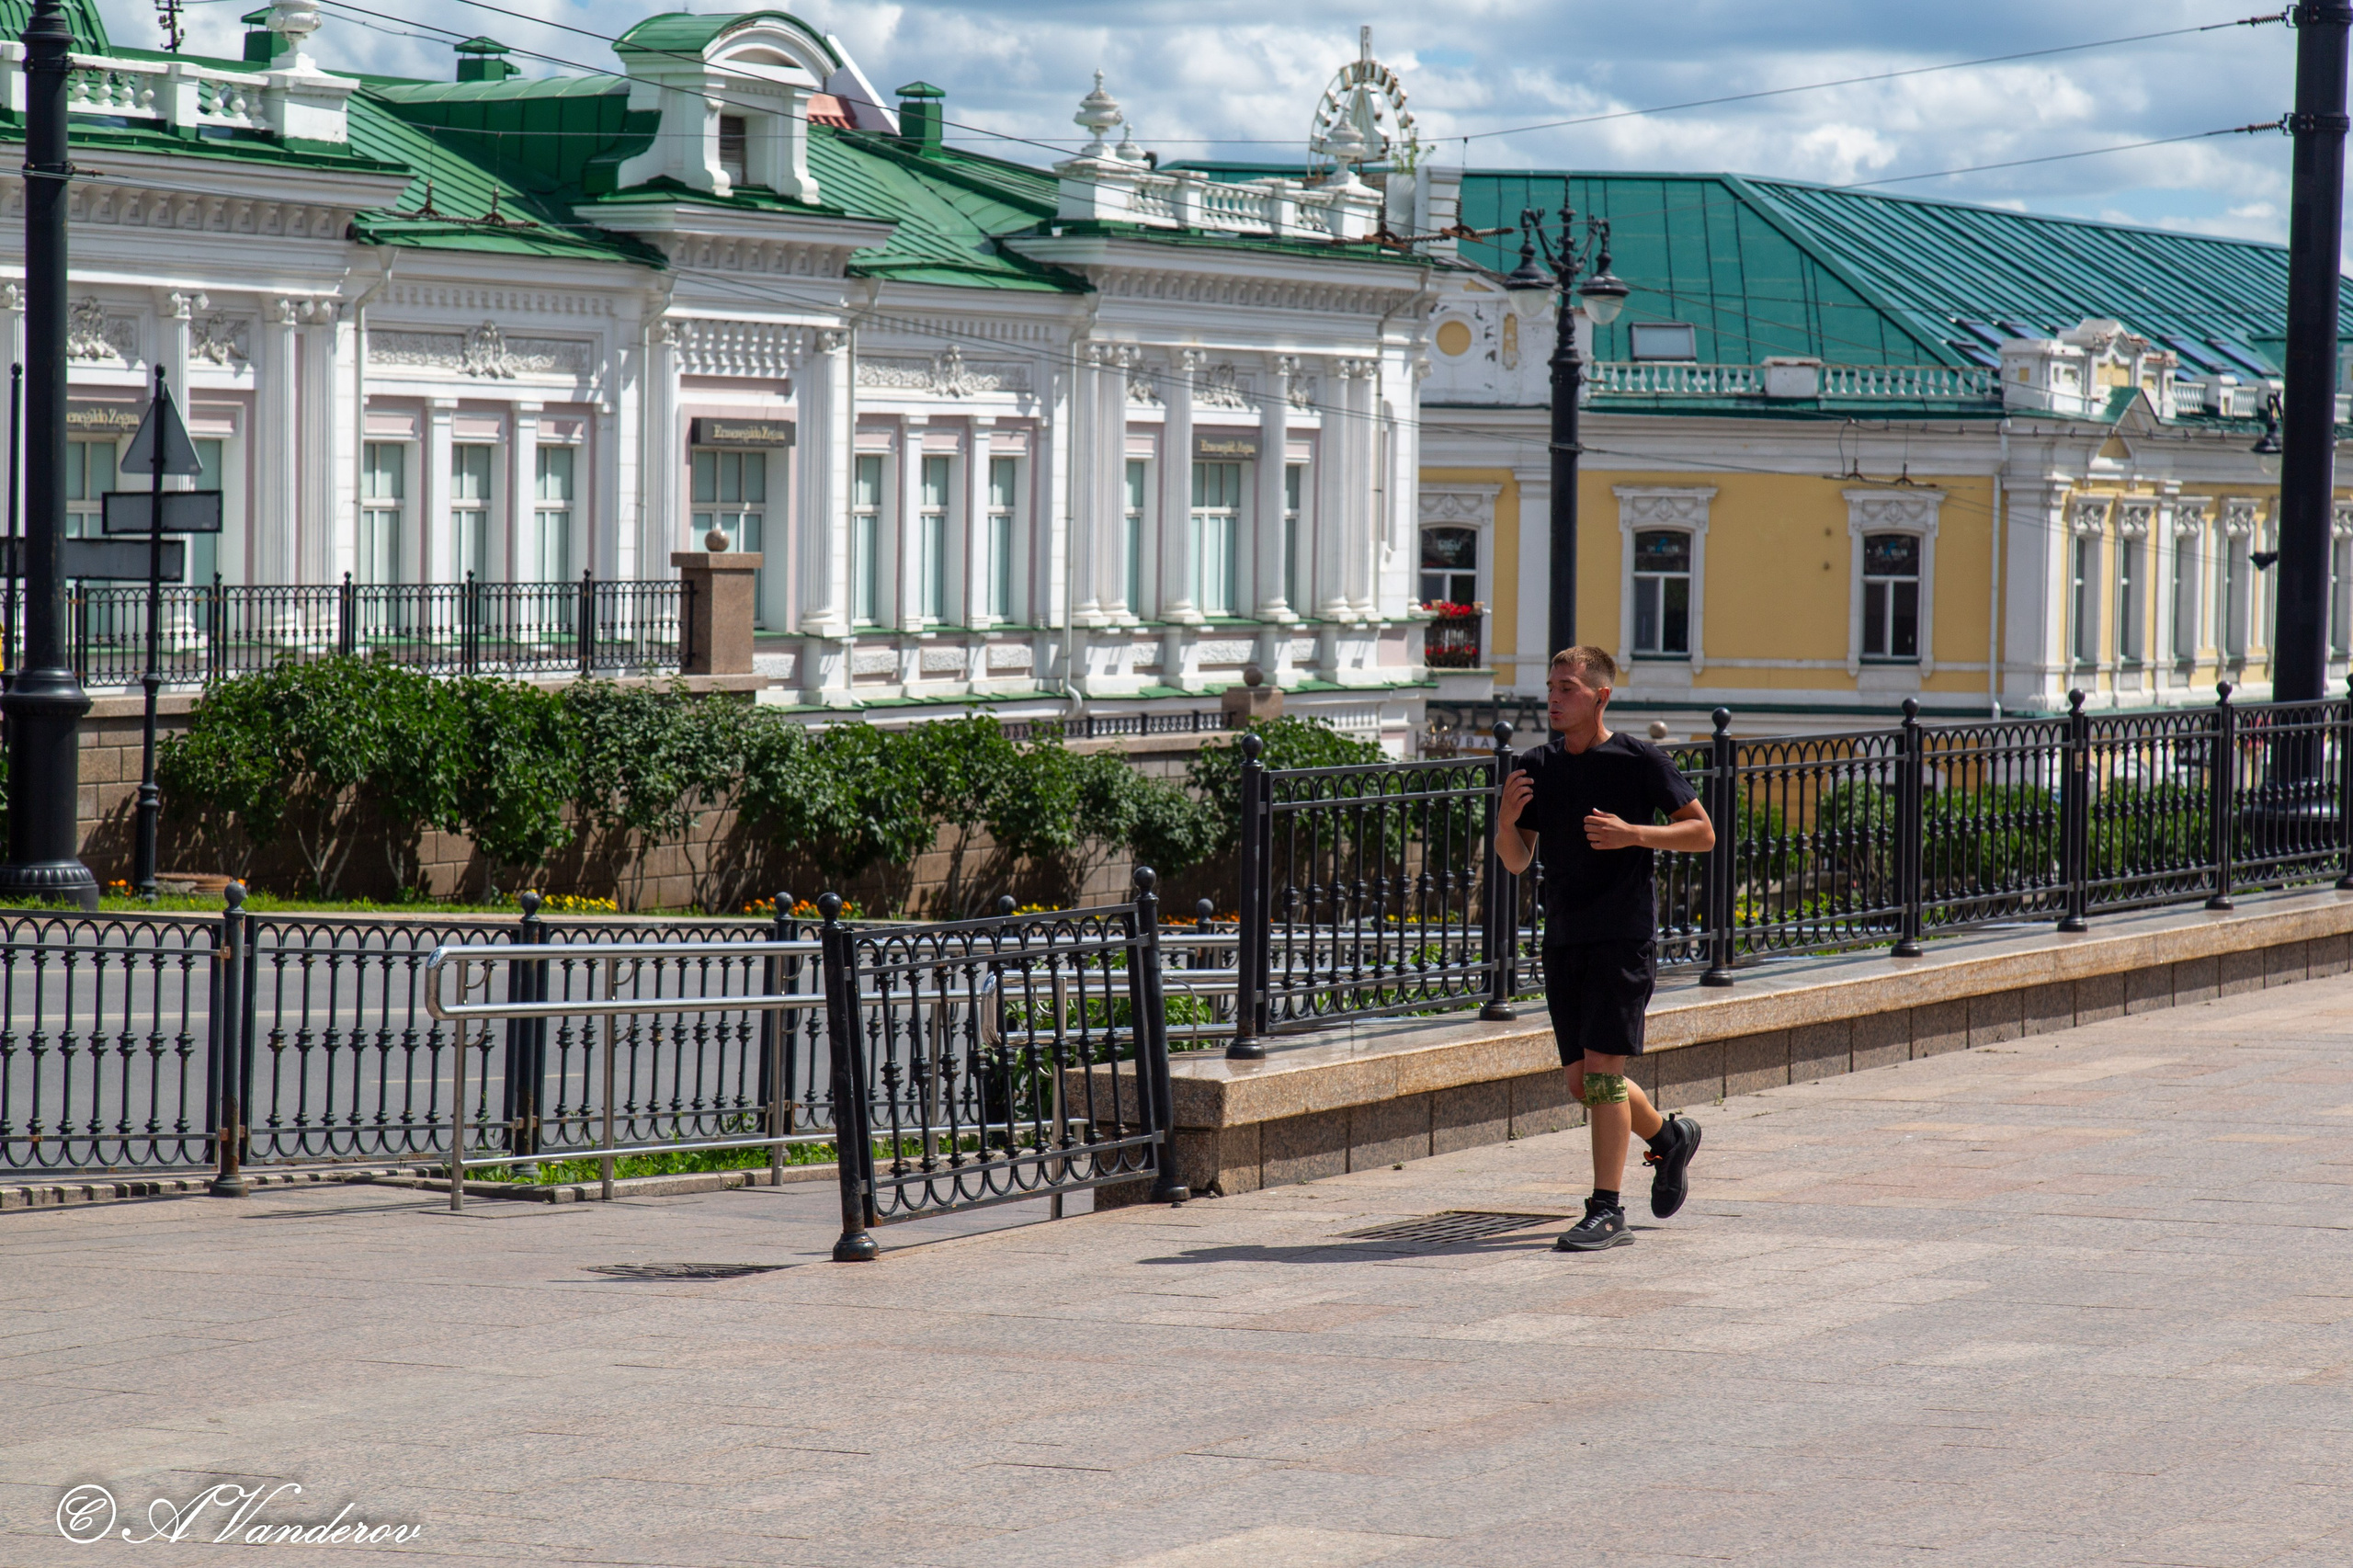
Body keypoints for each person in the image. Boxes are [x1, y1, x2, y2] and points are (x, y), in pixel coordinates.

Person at [1495, 646, 1713, 1252]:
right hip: (1564, 937)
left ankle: (1607, 1210)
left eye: (1567, 687)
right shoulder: (1536, 766)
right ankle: (1668, 1138)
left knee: (1602, 1077)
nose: (1554, 697)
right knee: (1582, 1084)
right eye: (1551, 686)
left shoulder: (1639, 760)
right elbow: (1517, 862)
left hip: (1622, 935)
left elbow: (1702, 832)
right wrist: (1507, 823)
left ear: (1601, 697)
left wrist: (1633, 834)